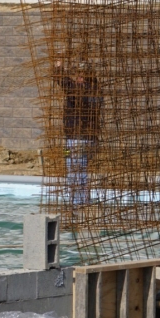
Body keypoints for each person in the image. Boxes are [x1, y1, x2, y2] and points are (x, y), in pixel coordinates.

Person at [53, 60, 101, 208]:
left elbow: (67, 86)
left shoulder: (83, 90)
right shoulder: (96, 91)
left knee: (74, 172)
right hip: (89, 139)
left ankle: (77, 205)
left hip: (77, 139)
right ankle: (83, 202)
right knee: (82, 171)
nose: (77, 78)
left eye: (79, 75)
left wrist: (59, 69)